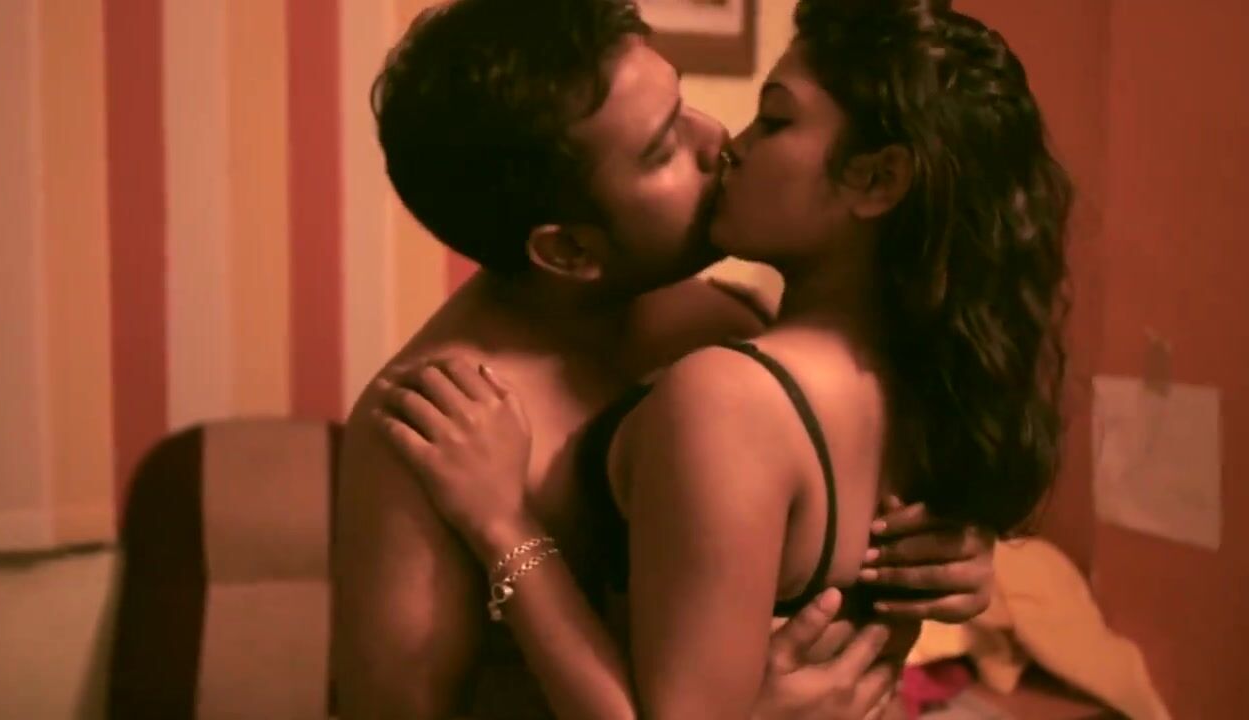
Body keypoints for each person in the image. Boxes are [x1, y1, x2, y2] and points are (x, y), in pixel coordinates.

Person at [374, 0, 1072, 718]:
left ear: (876, 181)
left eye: (767, 118)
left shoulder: (728, 335)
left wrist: (958, 557)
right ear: (569, 249)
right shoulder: (431, 416)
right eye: (661, 149)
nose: (719, 140)